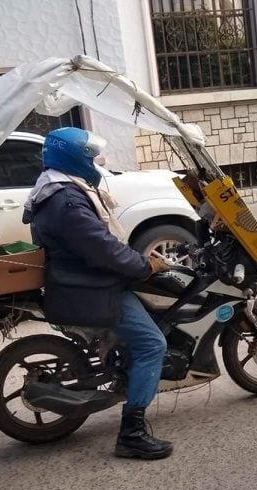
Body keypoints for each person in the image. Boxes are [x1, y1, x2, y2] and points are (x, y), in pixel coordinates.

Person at [23, 127, 173, 460]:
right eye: (91, 155)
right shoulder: (66, 199)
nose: (97, 161)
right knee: (152, 344)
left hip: (83, 276)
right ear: (74, 157)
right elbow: (101, 248)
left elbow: (98, 243)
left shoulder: (57, 188)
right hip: (91, 285)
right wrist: (142, 266)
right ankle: (132, 434)